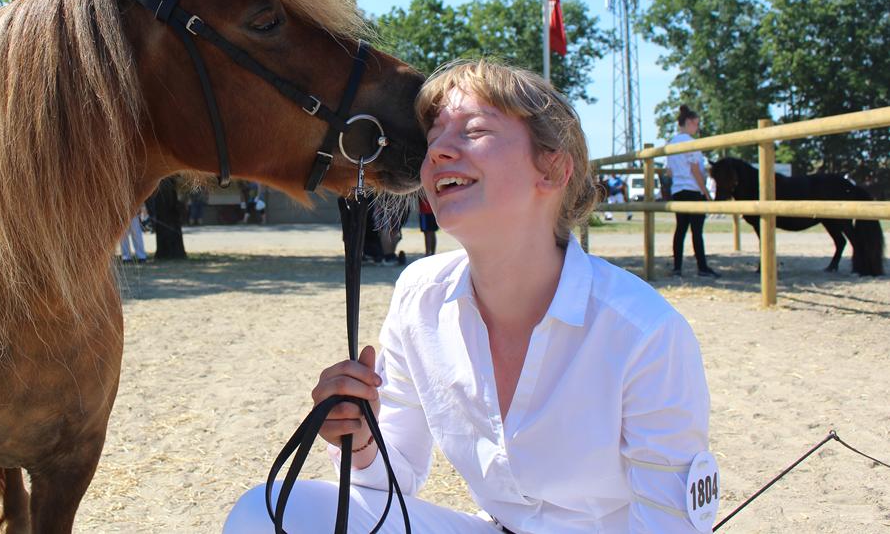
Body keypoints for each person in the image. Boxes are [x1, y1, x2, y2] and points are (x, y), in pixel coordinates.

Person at [224, 60, 713, 533]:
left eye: (474, 131)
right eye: (434, 137)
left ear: (552, 169)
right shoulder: (419, 296)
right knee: (267, 513)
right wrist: (360, 436)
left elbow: (669, 523)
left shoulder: (645, 334)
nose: (438, 151)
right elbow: (391, 484)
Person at [667, 105, 717, 278]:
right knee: (697, 231)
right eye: (696, 124)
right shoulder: (691, 142)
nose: (697, 128)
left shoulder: (671, 143)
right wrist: (706, 191)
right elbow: (695, 169)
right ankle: (702, 267)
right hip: (693, 190)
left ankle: (677, 267)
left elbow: (669, 171)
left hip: (678, 190)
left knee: (680, 229)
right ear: (688, 122)